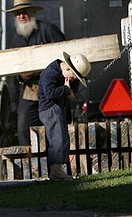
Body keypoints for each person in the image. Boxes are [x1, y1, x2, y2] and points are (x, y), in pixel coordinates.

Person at [4, 0, 67, 147]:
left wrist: (43, 71)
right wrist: (21, 76)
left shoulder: (48, 30)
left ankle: (56, 167)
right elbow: (13, 67)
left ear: (33, 12)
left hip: (51, 90)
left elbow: (65, 56)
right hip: (29, 91)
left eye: (25, 11)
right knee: (24, 129)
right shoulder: (16, 38)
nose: (21, 15)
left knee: (54, 130)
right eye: (18, 13)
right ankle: (30, 167)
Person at [38, 51, 92, 180]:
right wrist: (66, 90)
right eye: (73, 77)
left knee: (62, 136)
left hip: (57, 108)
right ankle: (56, 170)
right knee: (58, 138)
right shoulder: (50, 74)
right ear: (68, 68)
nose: (73, 81)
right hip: (50, 109)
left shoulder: (65, 74)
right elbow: (50, 94)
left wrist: (70, 91)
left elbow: (72, 90)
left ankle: (58, 169)